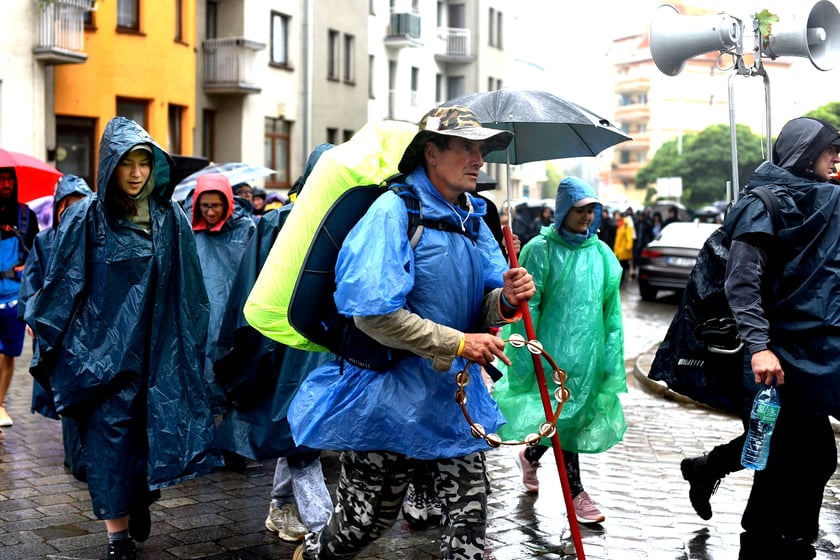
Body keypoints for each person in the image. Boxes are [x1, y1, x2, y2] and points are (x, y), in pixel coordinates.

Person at [286, 105, 536, 560]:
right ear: (430, 153)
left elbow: (484, 307)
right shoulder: (393, 211)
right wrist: (459, 343)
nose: (479, 159)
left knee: (471, 520)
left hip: (454, 399)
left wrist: (507, 299)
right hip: (387, 398)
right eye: (466, 147)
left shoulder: (473, 216)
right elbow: (373, 316)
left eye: (483, 149)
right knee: (363, 525)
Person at [25, 116, 221, 560]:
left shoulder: (171, 219)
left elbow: (191, 292)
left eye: (144, 164)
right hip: (102, 359)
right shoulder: (86, 218)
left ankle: (136, 502)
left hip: (158, 353)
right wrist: (55, 346)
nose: (136, 174)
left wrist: (190, 349)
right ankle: (117, 537)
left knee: (149, 437)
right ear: (109, 165)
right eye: (126, 164)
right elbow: (62, 286)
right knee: (112, 443)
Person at [679, 116, 840, 560]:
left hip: (810, 353)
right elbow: (741, 283)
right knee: (799, 455)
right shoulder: (763, 203)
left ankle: (712, 475)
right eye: (830, 150)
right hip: (771, 354)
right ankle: (783, 538)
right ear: (808, 155)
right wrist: (759, 347)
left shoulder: (825, 202)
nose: (836, 158)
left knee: (779, 449)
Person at [213, 143, 335, 544]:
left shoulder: (352, 222)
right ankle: (322, 528)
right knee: (300, 432)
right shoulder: (278, 224)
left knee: (300, 430)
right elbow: (251, 292)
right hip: (286, 346)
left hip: (325, 346)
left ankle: (280, 506)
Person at [492, 177, 626, 525]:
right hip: (550, 355)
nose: (586, 216)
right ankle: (576, 492)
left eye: (591, 209)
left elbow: (611, 311)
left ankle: (530, 455)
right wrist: (527, 353)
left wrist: (610, 359)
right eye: (580, 209)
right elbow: (529, 304)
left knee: (571, 419)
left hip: (588, 357)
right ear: (564, 209)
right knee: (562, 420)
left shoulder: (601, 253)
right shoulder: (541, 249)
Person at [18, 174, 92, 469]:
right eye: (67, 205)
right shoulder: (45, 241)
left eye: (80, 205)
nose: (73, 211)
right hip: (58, 332)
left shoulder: (99, 239)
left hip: (90, 331)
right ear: (59, 207)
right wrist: (32, 316)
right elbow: (32, 282)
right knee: (67, 391)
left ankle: (88, 452)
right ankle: (75, 456)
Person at [190, 173, 256, 415]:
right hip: (200, 312)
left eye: (215, 206)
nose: (209, 212)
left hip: (232, 309)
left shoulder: (245, 228)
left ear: (227, 202)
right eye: (204, 206)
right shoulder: (189, 230)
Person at [0, 168, 38, 429]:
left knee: (8, 354)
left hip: (14, 298)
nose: (5, 184)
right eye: (0, 179)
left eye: (8, 179)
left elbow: (38, 256)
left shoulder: (26, 216)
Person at [612, 209, 633, 284]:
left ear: (620, 215)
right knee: (621, 265)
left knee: (623, 265)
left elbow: (629, 236)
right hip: (619, 249)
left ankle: (621, 280)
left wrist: (628, 247)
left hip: (623, 249)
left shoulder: (626, 224)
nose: (615, 216)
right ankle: (621, 279)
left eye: (617, 215)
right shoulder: (620, 223)